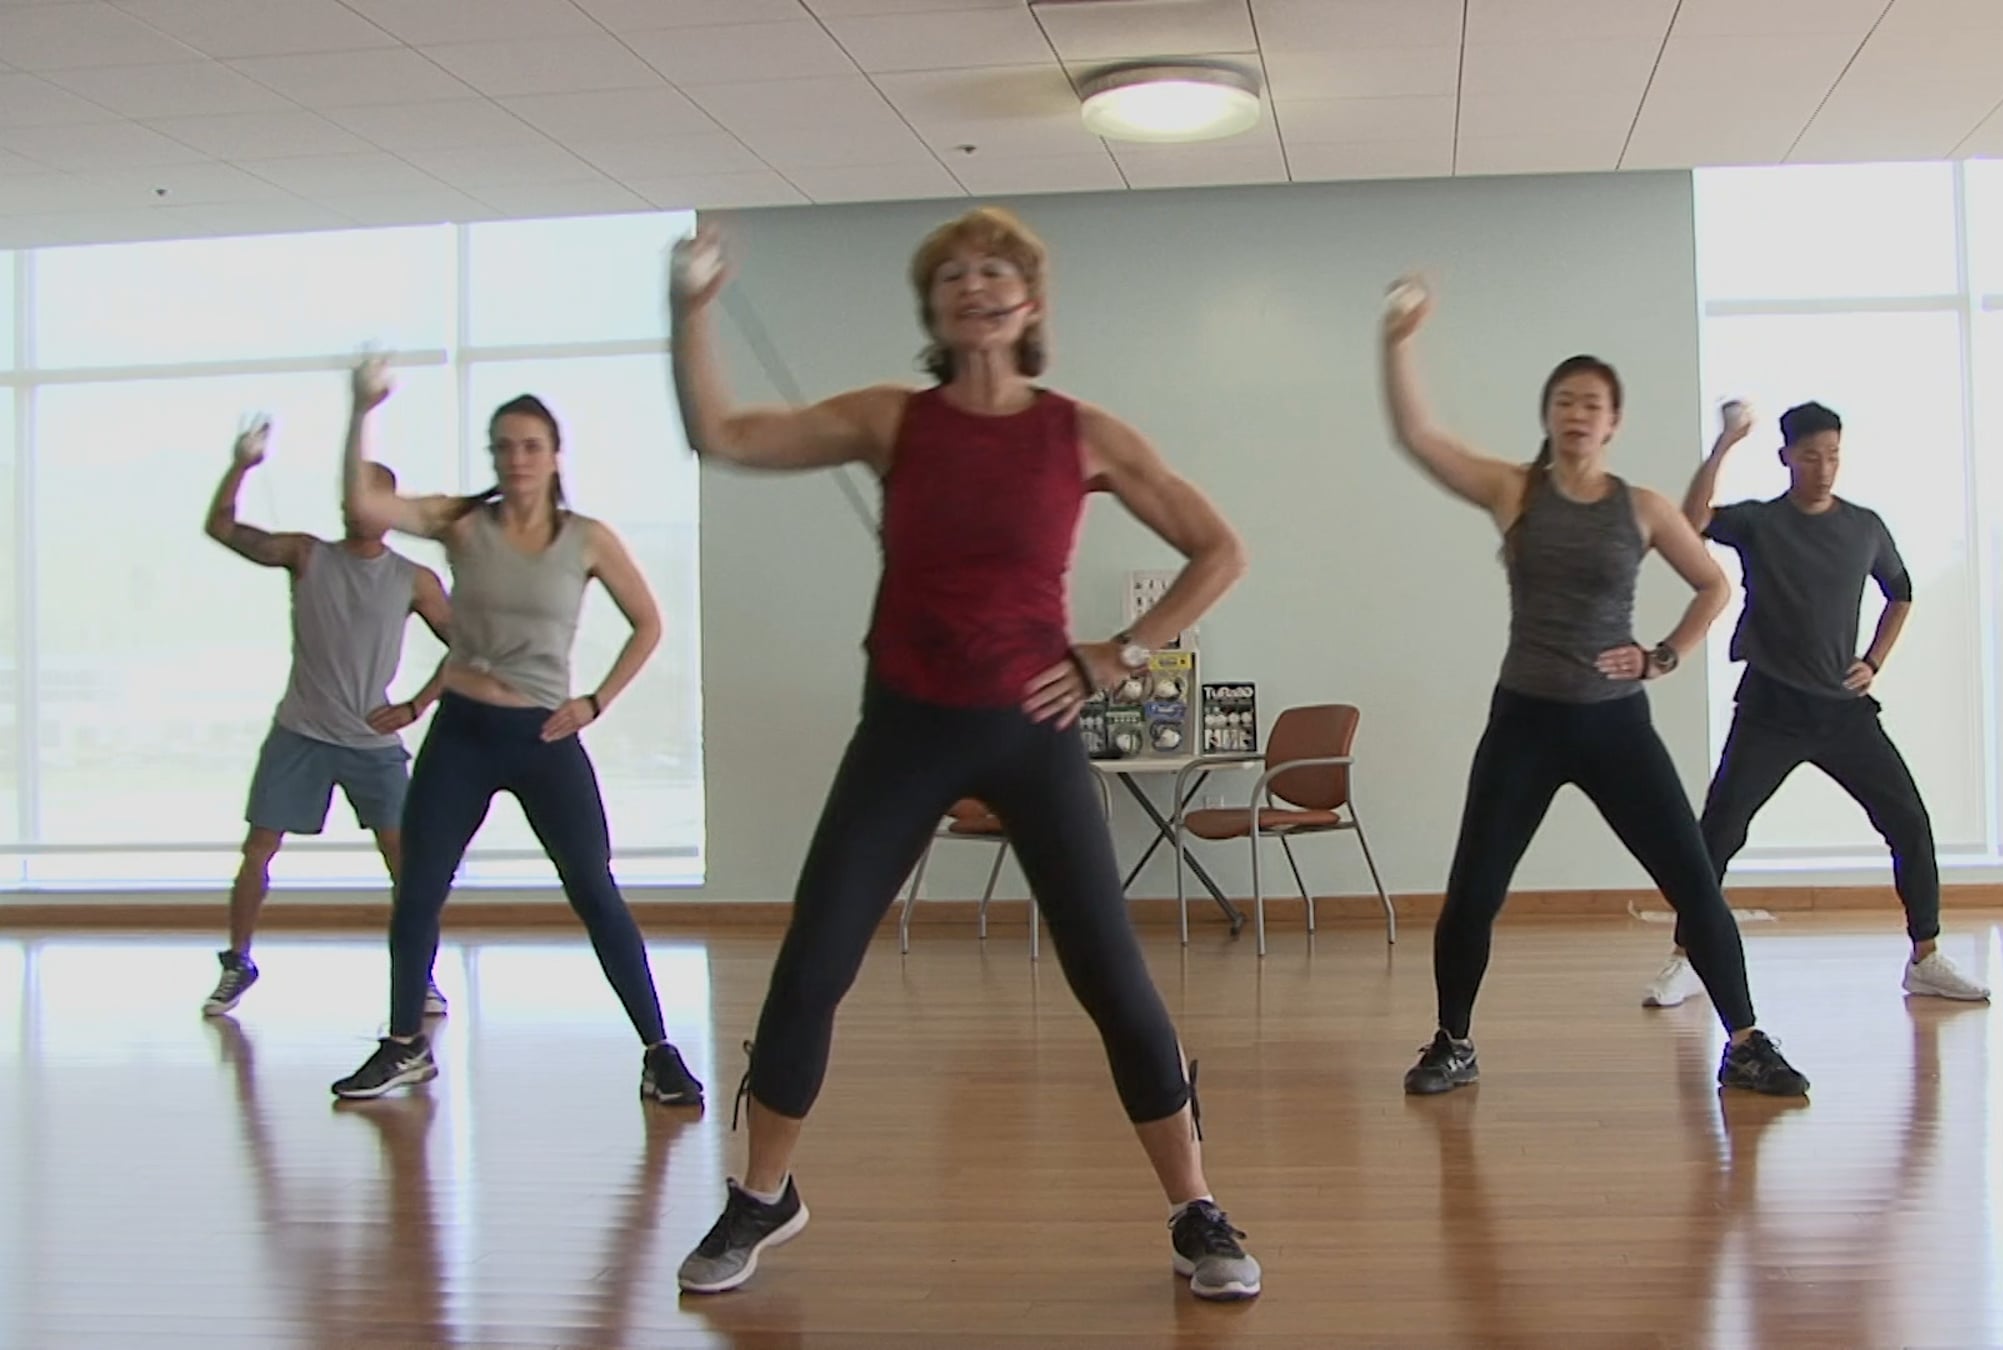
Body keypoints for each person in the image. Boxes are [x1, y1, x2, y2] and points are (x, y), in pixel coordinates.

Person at [663, 207, 1263, 1301]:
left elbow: (1220, 549)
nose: (973, 286)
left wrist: (1121, 652)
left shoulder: (1081, 433)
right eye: (951, 276)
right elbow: (725, 434)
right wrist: (688, 310)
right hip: (905, 730)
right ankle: (763, 1195)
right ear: (934, 310)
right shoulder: (891, 419)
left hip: (1034, 733)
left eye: (994, 272)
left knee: (1110, 974)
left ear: (1030, 304)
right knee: (814, 962)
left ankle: (1196, 1210)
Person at [1377, 276, 1810, 1100]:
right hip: (1525, 723)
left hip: (1616, 728)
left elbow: (1713, 585)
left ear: (1613, 423)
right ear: (1549, 417)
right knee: (1473, 893)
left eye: (1593, 404)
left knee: (1694, 882)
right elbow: (1419, 435)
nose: (1577, 413)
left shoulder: (1642, 508)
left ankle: (1746, 1041)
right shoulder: (1515, 490)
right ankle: (1453, 1042)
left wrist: (1661, 656)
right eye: (1565, 401)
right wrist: (1399, 341)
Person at [327, 357, 704, 1108]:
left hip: (544, 737)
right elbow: (364, 503)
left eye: (530, 446)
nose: (517, 459)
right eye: (503, 447)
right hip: (463, 733)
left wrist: (595, 702)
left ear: (555, 455)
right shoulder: (464, 524)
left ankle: (659, 1052)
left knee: (594, 889)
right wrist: (362, 408)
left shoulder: (587, 539)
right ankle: (405, 1046)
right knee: (419, 889)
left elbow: (649, 624)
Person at [1642, 400, 1989, 1007]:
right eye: (1810, 456)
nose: (1823, 468)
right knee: (1717, 831)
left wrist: (1874, 661)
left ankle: (1926, 957)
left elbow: (1900, 593)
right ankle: (1688, 957)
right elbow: (1690, 521)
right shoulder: (1760, 522)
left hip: (1842, 712)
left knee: (1908, 822)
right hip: (1770, 708)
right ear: (1786, 458)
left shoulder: (1864, 526)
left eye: (1832, 456)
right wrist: (1725, 444)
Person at [201, 412, 451, 1018]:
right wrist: (241, 466)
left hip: (372, 743)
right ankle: (238, 962)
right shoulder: (306, 554)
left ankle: (419, 975)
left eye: (367, 496)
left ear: (389, 508)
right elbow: (222, 527)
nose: (354, 506)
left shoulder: (413, 579)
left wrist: (416, 704)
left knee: (405, 861)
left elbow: (471, 646)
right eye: (348, 494)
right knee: (258, 849)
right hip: (301, 732)